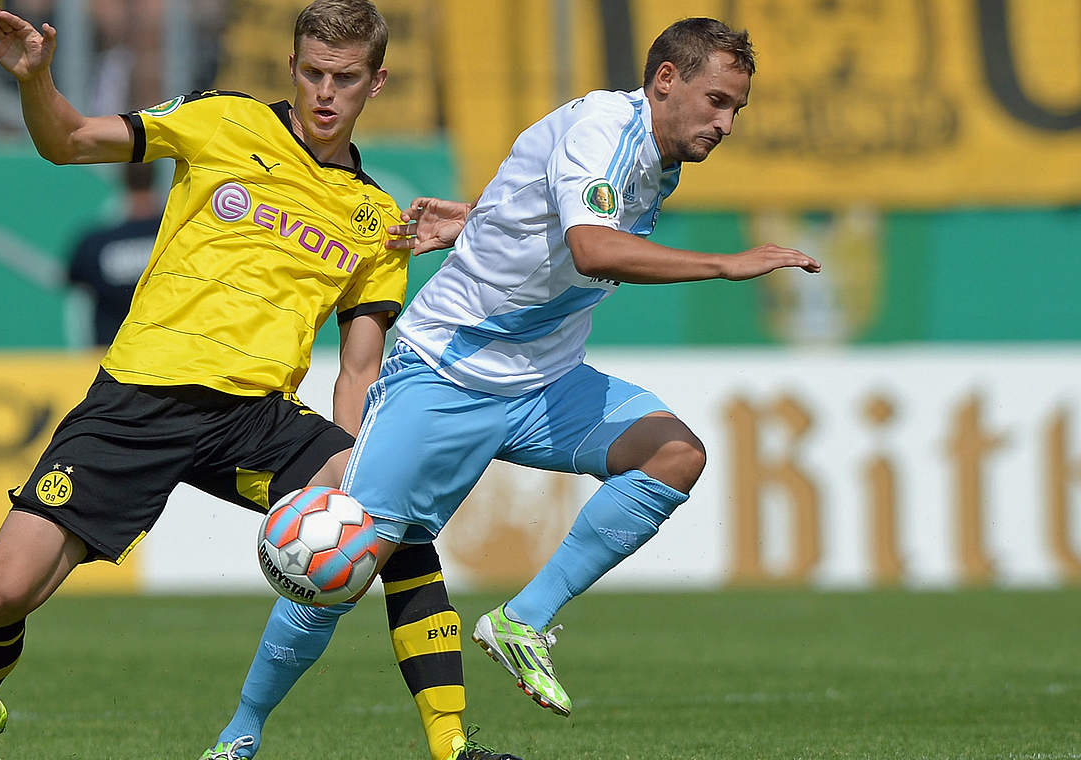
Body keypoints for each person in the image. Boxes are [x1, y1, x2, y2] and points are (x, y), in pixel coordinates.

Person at [0, 4, 514, 760]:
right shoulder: (223, 122)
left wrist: (356, 482)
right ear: (290, 67)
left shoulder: (375, 218)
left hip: (256, 418)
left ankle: (452, 746)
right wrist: (37, 81)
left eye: (344, 79)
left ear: (376, 83)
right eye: (311, 73)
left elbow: (359, 365)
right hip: (135, 401)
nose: (324, 92)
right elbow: (70, 140)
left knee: (394, 514)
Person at [209, 14, 822, 747]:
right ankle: (240, 736)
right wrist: (727, 262)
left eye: (736, 109)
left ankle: (523, 619)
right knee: (338, 565)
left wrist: (473, 221)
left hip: (543, 380)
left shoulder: (660, 157)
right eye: (717, 101)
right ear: (666, 80)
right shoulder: (605, 127)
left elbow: (539, 211)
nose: (725, 122)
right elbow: (592, 249)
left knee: (674, 455)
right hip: (447, 370)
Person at [65, 162, 161, 347]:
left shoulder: (96, 243)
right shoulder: (177, 238)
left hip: (112, 355)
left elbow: (73, 281)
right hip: (167, 354)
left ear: (123, 179)